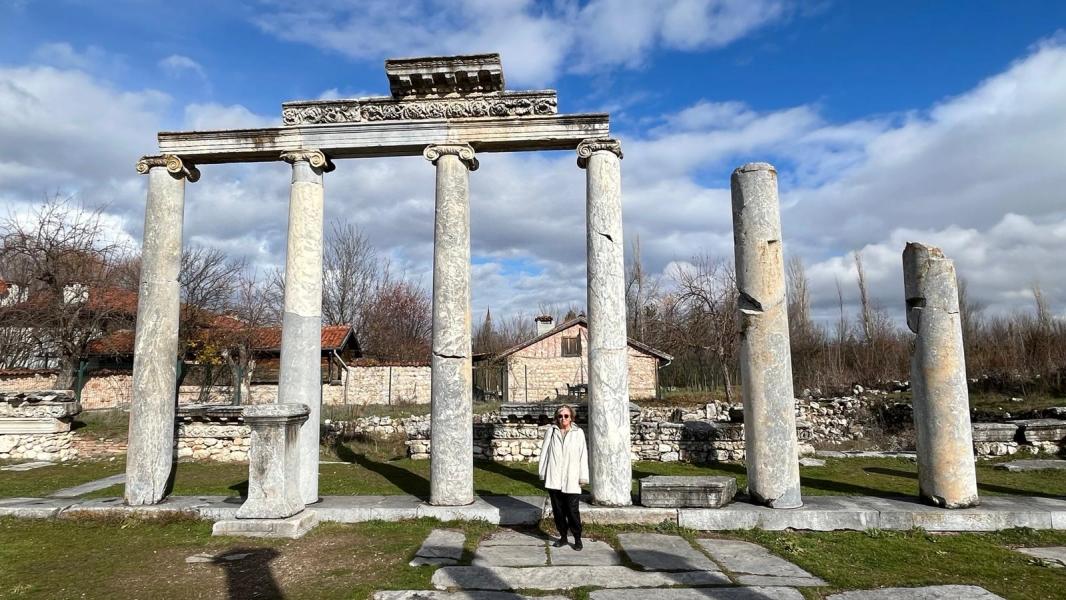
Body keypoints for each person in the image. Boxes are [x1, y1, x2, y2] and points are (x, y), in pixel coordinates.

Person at [537, 404, 589, 550]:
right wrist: (543, 472)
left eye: (566, 416)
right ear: (556, 418)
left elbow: (583, 455)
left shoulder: (578, 433)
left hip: (572, 478)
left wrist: (583, 477)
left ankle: (578, 538)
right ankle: (563, 537)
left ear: (571, 417)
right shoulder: (551, 432)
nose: (563, 419)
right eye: (560, 416)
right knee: (558, 511)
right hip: (554, 478)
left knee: (572, 511)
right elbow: (545, 453)